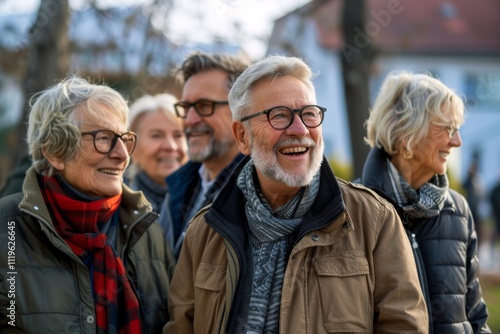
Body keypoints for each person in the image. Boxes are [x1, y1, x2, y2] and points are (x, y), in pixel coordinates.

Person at [164, 55, 428, 333]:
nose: (300, 129)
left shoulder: (374, 221)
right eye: (278, 115)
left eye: (309, 114)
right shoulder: (205, 232)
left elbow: (405, 326)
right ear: (242, 136)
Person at [0, 76, 175, 333]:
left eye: (124, 139)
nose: (122, 155)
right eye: (103, 138)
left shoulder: (147, 229)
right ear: (55, 152)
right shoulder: (7, 231)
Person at [359, 70, 491, 333]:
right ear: (409, 131)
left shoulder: (458, 211)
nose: (457, 141)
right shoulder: (356, 211)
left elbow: (475, 318)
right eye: (448, 128)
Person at [159, 51, 251, 259]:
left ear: (242, 111)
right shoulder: (179, 187)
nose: (190, 120)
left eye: (203, 106)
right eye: (186, 107)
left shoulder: (262, 199)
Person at [125, 93, 188, 213]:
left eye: (178, 135)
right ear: (131, 145)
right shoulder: (113, 203)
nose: (171, 146)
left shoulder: (206, 202)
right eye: (157, 135)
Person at [463, 157, 484, 247]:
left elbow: (481, 195)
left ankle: (477, 248)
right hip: (468, 209)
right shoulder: (467, 181)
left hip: (476, 210)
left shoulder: (478, 181)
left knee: (478, 231)